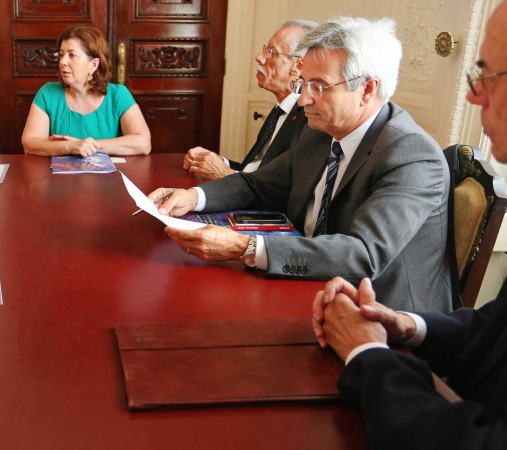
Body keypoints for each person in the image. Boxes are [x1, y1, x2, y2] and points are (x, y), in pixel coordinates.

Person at [149, 17, 452, 313]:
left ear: (368, 90)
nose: (303, 98)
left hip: (380, 317)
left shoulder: (411, 153)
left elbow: (363, 255)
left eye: (318, 86)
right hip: (306, 286)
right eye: (303, 83)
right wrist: (193, 198)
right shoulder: (320, 132)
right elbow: (259, 183)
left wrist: (246, 247)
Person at [312, 3, 507, 448]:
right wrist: (405, 325)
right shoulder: (319, 135)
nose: (475, 96)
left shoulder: (409, 150)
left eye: (489, 75)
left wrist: (366, 352)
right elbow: (492, 331)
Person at [183, 20, 316, 180]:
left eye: (272, 52)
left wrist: (223, 174)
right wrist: (216, 161)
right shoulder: (279, 111)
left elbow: (283, 191)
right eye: (265, 49)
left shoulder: (309, 120)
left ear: (298, 66)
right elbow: (253, 171)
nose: (259, 57)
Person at [21, 26, 151, 157]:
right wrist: (71, 146)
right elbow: (30, 143)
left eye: (72, 55)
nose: (62, 62)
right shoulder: (48, 93)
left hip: (107, 177)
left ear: (93, 65)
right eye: (61, 55)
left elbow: (144, 143)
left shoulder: (118, 94)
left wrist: (88, 146)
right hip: (59, 177)